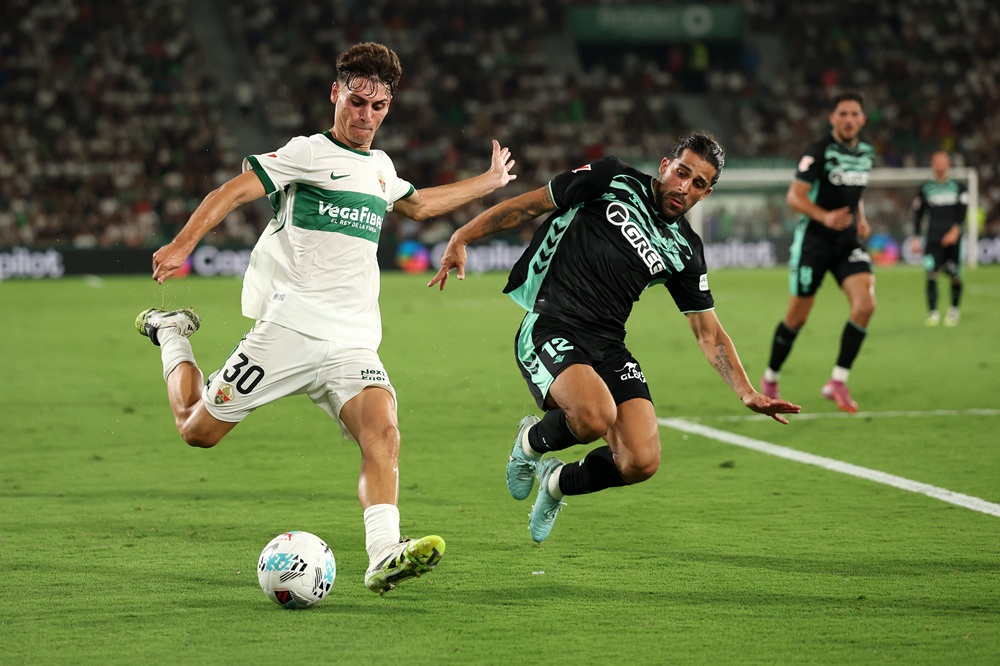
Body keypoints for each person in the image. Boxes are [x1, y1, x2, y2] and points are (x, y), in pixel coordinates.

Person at [133, 42, 517, 594]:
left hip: (352, 340)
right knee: (197, 430)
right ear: (336, 94)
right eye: (357, 102)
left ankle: (385, 552)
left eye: (378, 107)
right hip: (288, 330)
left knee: (383, 432)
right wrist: (181, 243)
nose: (366, 116)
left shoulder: (381, 169)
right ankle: (172, 334)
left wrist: (490, 181)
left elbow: (421, 204)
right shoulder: (307, 153)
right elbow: (232, 192)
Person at [428, 132, 801, 544]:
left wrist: (746, 391)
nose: (683, 187)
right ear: (665, 166)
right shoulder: (611, 179)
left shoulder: (685, 248)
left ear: (707, 193)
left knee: (641, 461)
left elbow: (707, 331)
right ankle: (530, 443)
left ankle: (556, 483)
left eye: (698, 183)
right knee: (594, 416)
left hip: (607, 344)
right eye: (681, 173)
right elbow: (533, 204)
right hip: (552, 322)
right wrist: (463, 235)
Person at [761, 91, 875, 413]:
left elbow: (856, 191)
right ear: (833, 118)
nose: (849, 119)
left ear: (862, 119)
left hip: (847, 243)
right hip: (814, 243)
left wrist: (861, 218)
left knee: (865, 304)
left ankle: (837, 381)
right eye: (843, 114)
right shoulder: (818, 152)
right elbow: (794, 196)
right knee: (797, 317)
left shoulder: (867, 153)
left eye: (854, 114)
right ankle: (770, 377)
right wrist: (825, 216)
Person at [911, 151, 968, 327]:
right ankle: (933, 312)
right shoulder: (925, 189)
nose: (940, 165)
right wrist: (916, 237)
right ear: (932, 164)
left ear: (948, 164)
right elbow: (918, 214)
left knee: (954, 274)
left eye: (943, 162)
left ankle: (953, 310)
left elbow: (962, 212)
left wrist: (955, 231)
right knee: (931, 273)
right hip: (933, 240)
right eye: (937, 162)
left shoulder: (959, 188)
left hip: (952, 239)